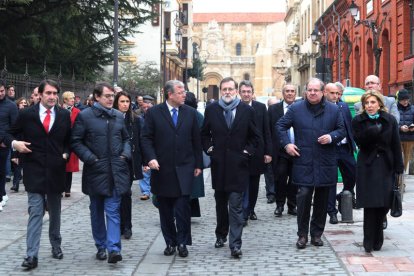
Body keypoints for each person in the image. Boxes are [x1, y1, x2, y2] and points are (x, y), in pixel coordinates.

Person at [4, 79, 71, 269]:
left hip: (57, 169)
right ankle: (31, 255)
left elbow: (69, 139)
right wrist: (15, 144)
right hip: (34, 169)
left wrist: (66, 153)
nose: (52, 97)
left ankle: (55, 244)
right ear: (40, 94)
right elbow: (9, 134)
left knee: (55, 211)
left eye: (54, 93)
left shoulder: (64, 115)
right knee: (35, 211)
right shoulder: (26, 114)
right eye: (48, 93)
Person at [277, 78, 345, 249]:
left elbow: (342, 130)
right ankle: (302, 235)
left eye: (316, 90)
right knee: (304, 197)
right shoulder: (296, 108)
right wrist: (287, 144)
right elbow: (280, 126)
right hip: (304, 161)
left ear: (323, 92)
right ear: (306, 91)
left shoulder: (333, 109)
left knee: (322, 200)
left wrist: (331, 137)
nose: (312, 93)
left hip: (325, 161)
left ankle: (316, 234)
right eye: (310, 90)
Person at [141, 80, 202, 258]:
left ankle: (183, 242)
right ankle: (170, 242)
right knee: (165, 209)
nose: (184, 94)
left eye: (184, 91)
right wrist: (150, 158)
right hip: (162, 168)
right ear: (170, 94)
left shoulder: (190, 113)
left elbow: (196, 140)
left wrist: (198, 164)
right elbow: (146, 138)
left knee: (183, 208)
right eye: (180, 92)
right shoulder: (154, 113)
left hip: (185, 167)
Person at [71, 82, 131, 264]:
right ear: (97, 97)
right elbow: (75, 141)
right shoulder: (85, 116)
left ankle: (114, 249)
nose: (111, 99)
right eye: (107, 96)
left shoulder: (118, 116)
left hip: (115, 171)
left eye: (112, 96)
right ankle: (101, 245)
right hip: (96, 171)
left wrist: (124, 154)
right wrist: (90, 158)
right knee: (96, 210)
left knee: (113, 210)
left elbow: (127, 138)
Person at [201, 77, 260, 258]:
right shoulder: (212, 109)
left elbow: (255, 137)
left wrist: (246, 152)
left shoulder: (246, 110)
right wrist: (210, 149)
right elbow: (204, 134)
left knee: (235, 206)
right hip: (219, 166)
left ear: (236, 91)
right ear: (221, 91)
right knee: (221, 204)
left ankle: (235, 244)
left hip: (239, 166)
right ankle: (221, 234)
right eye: (224, 89)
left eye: (230, 89)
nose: (227, 92)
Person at [351, 90, 403, 253]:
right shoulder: (358, 120)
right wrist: (372, 130)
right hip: (368, 164)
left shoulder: (390, 120)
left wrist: (399, 167)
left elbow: (395, 143)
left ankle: (378, 233)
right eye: (366, 103)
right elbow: (359, 141)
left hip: (386, 165)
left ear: (380, 103)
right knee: (370, 203)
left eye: (373, 102)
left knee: (384, 203)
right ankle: (368, 239)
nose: (369, 106)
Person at [238, 80, 272, 225]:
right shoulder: (236, 107)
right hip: (240, 152)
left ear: (253, 93)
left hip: (258, 151)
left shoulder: (260, 107)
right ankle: (243, 212)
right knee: (242, 183)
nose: (246, 94)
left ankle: (250, 208)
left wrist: (268, 152)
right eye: (244, 92)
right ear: (239, 93)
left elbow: (266, 130)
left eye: (249, 92)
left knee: (254, 183)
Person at [323, 83, 357, 224]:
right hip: (330, 149)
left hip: (345, 148)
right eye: (333, 93)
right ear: (325, 93)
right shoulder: (322, 108)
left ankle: (343, 196)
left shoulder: (343, 107)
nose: (336, 96)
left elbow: (350, 127)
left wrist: (352, 144)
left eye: (338, 93)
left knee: (352, 174)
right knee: (331, 180)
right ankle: (332, 212)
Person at [113, 91, 143, 239]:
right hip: (113, 161)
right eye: (122, 102)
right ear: (116, 103)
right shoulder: (111, 118)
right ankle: (116, 225)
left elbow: (141, 140)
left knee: (126, 193)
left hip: (128, 162)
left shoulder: (135, 120)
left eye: (127, 102)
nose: (125, 104)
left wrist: (144, 161)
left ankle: (127, 226)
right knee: (114, 195)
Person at [269, 83, 298, 217]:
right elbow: (269, 130)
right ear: (283, 93)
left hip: (298, 150)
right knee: (280, 178)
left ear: (295, 93)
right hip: (280, 151)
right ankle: (280, 205)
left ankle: (292, 206)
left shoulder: (301, 108)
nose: (290, 93)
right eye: (287, 91)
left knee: (295, 179)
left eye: (292, 91)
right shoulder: (273, 109)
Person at [183, 91, 205, 217]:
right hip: (195, 156)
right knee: (191, 187)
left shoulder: (193, 116)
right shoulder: (199, 116)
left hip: (189, 156)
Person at [0, 80, 18, 211]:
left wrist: (6, 141)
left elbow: (15, 126)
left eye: (1, 91)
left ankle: (0, 196)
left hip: (2, 143)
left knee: (1, 171)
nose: (0, 93)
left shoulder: (11, 106)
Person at [61, 91, 80, 197]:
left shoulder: (77, 111)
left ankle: (67, 189)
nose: (73, 100)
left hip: (72, 141)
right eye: (71, 98)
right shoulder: (58, 109)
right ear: (65, 100)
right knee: (60, 166)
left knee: (69, 168)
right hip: (60, 141)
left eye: (73, 98)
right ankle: (60, 188)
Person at [10, 97, 28, 192]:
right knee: (16, 163)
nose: (23, 104)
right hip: (17, 141)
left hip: (26, 141)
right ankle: (15, 184)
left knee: (25, 164)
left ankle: (26, 183)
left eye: (25, 103)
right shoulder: (15, 114)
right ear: (18, 104)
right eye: (22, 102)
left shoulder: (29, 113)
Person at [138, 95, 154, 200]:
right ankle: (145, 191)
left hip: (154, 144)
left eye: (148, 104)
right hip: (142, 144)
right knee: (145, 170)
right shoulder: (137, 116)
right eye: (145, 105)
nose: (146, 107)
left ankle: (154, 189)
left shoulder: (157, 114)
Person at [396, 89, 414, 171]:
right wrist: (400, 127)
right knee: (398, 159)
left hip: (410, 138)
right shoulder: (395, 109)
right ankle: (399, 178)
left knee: (406, 160)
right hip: (398, 138)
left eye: (407, 99)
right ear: (399, 100)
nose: (405, 101)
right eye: (403, 100)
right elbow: (392, 123)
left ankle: (402, 179)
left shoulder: (413, 108)